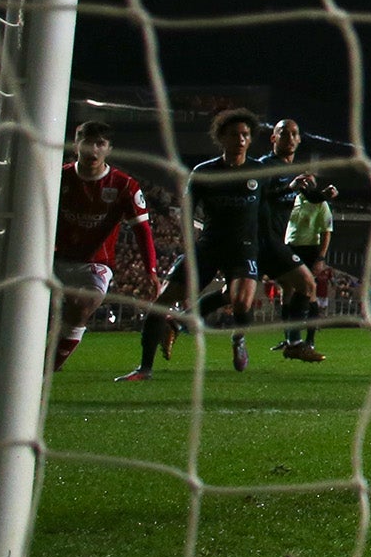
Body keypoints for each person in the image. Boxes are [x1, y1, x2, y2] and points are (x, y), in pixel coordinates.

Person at [120, 108, 273, 381]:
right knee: (162, 302)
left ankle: (238, 338)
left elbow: (265, 213)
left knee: (241, 302)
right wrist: (188, 242)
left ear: (251, 139)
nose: (240, 139)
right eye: (234, 134)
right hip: (209, 245)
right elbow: (187, 211)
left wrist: (267, 250)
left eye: (245, 135)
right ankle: (144, 368)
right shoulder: (204, 172)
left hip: (244, 247)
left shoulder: (259, 172)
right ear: (221, 138)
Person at [53, 121, 156, 372]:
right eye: (87, 142)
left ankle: (48, 365)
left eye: (100, 144)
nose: (93, 149)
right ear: (76, 144)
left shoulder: (124, 185)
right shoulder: (58, 176)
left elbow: (142, 229)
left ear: (109, 149)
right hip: (54, 259)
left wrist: (150, 270)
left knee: (83, 307)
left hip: (96, 263)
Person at [258, 118, 331, 362]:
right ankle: (296, 342)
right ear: (273, 138)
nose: (290, 138)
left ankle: (297, 341)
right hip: (262, 239)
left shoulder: (294, 173)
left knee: (235, 296)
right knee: (306, 285)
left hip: (277, 243)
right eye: (284, 133)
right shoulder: (265, 167)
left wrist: (325, 194)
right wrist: (289, 187)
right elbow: (261, 196)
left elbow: (311, 198)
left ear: (299, 140)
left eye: (294, 134)